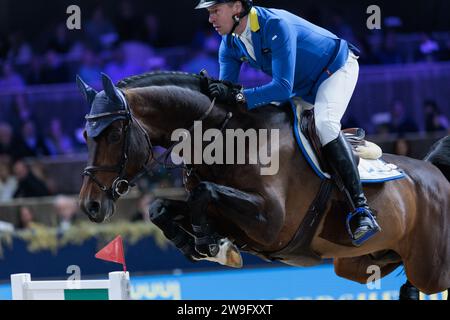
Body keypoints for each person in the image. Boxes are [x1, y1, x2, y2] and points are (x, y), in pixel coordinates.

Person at [195, 0, 380, 245]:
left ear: (237, 7)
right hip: (303, 88)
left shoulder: (275, 25)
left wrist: (238, 95)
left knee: (325, 125)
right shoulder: (229, 44)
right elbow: (228, 99)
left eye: (215, 11)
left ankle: (361, 211)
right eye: (209, 12)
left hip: (335, 70)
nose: (211, 19)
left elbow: (282, 88)